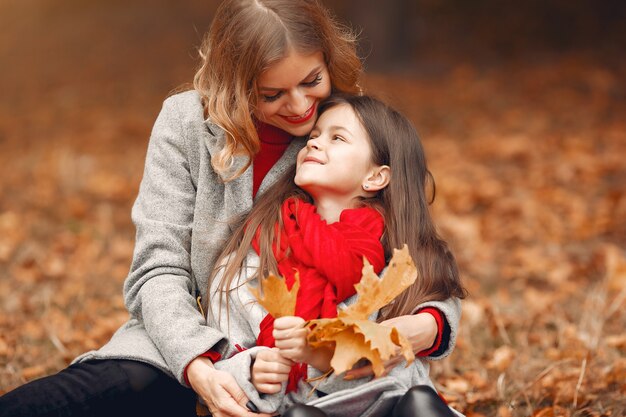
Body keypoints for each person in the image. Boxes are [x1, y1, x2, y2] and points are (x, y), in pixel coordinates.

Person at [0, 1, 460, 416]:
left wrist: (423, 328)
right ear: (236, 85)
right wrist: (200, 364)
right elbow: (157, 269)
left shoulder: (340, 129)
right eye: (271, 94)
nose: (301, 108)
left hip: (299, 373)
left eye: (311, 81)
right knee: (92, 394)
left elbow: (412, 249)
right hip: (188, 341)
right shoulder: (186, 124)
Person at [204, 94, 466, 417]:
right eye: (313, 137)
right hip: (306, 409)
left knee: (420, 404)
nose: (313, 144)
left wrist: (428, 325)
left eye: (337, 138)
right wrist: (252, 369)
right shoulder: (259, 256)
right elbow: (223, 354)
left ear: (375, 177)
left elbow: (438, 302)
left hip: (392, 405)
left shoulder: (398, 255)